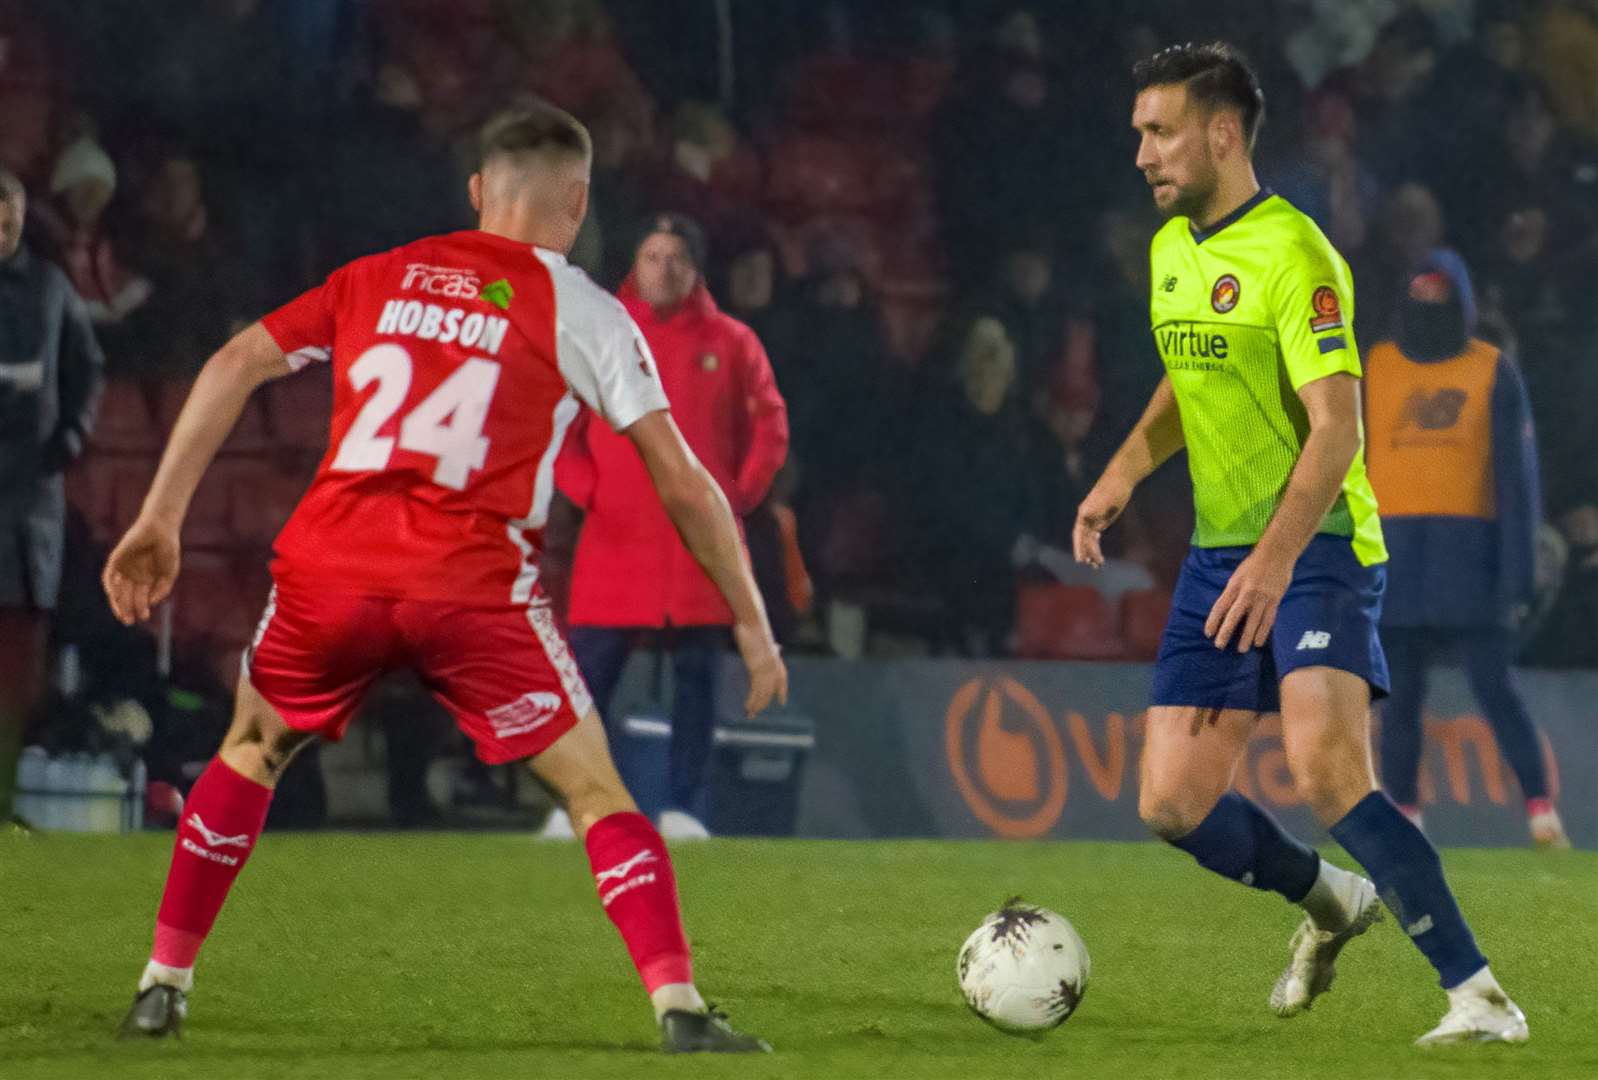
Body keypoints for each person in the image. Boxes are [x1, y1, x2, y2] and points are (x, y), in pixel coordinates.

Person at [102, 105, 785, 1053]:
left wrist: (159, 516)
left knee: (251, 750)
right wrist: (750, 619)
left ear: (476, 193)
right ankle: (678, 1008)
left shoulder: (374, 277)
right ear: (579, 204)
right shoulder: (582, 307)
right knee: (595, 794)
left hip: (331, 572)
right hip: (470, 590)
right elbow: (684, 480)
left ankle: (160, 986)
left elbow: (233, 362)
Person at [1074, 43, 1528, 1046]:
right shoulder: (1169, 250)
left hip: (1314, 544)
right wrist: (1121, 472)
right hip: (1217, 553)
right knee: (1170, 803)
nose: (1141, 154)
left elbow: (1335, 429)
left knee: (1326, 771)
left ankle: (1478, 997)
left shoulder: (1296, 255)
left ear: (1222, 133)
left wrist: (1275, 561)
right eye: (1137, 135)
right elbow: (1187, 380)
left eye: (1159, 132)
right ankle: (1331, 900)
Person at [551, 214, 787, 839]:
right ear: (635, 262)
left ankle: (685, 809)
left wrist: (736, 496)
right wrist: (589, 491)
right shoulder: (599, 333)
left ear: (696, 268)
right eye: (652, 256)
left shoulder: (733, 342)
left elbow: (770, 425)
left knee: (696, 685)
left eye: (675, 258)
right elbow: (559, 425)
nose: (662, 269)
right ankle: (571, 805)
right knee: (586, 683)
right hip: (617, 542)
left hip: (695, 549)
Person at [1364, 250, 1570, 849]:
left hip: (1471, 561)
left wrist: (1518, 576)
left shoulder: (1492, 370)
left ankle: (1541, 811)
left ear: (1464, 301)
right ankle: (1405, 816)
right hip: (1396, 558)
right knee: (1398, 699)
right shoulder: (1374, 367)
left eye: (1441, 295)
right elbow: (1344, 466)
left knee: (1496, 690)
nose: (1429, 307)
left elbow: (1518, 481)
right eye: (1419, 293)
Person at [0, 167, 105, 825]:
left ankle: (3, 805)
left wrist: (71, 434)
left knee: (15, 682)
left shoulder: (49, 287)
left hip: (24, 516)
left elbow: (87, 367)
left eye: (6, 215)